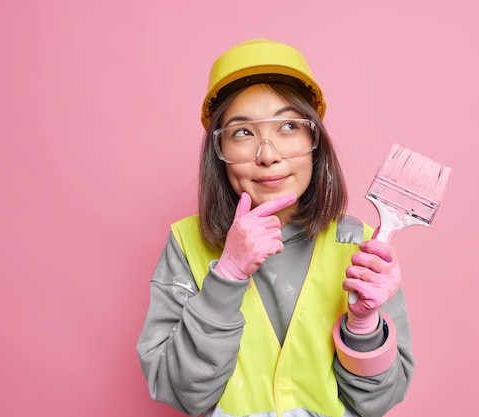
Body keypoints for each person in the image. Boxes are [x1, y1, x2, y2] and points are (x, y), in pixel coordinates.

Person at [137, 39, 414, 417]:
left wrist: (363, 325)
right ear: (218, 155)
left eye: (288, 126)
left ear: (314, 140)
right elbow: (182, 393)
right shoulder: (187, 244)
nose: (268, 155)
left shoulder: (361, 246)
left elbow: (379, 401)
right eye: (242, 133)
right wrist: (227, 276)